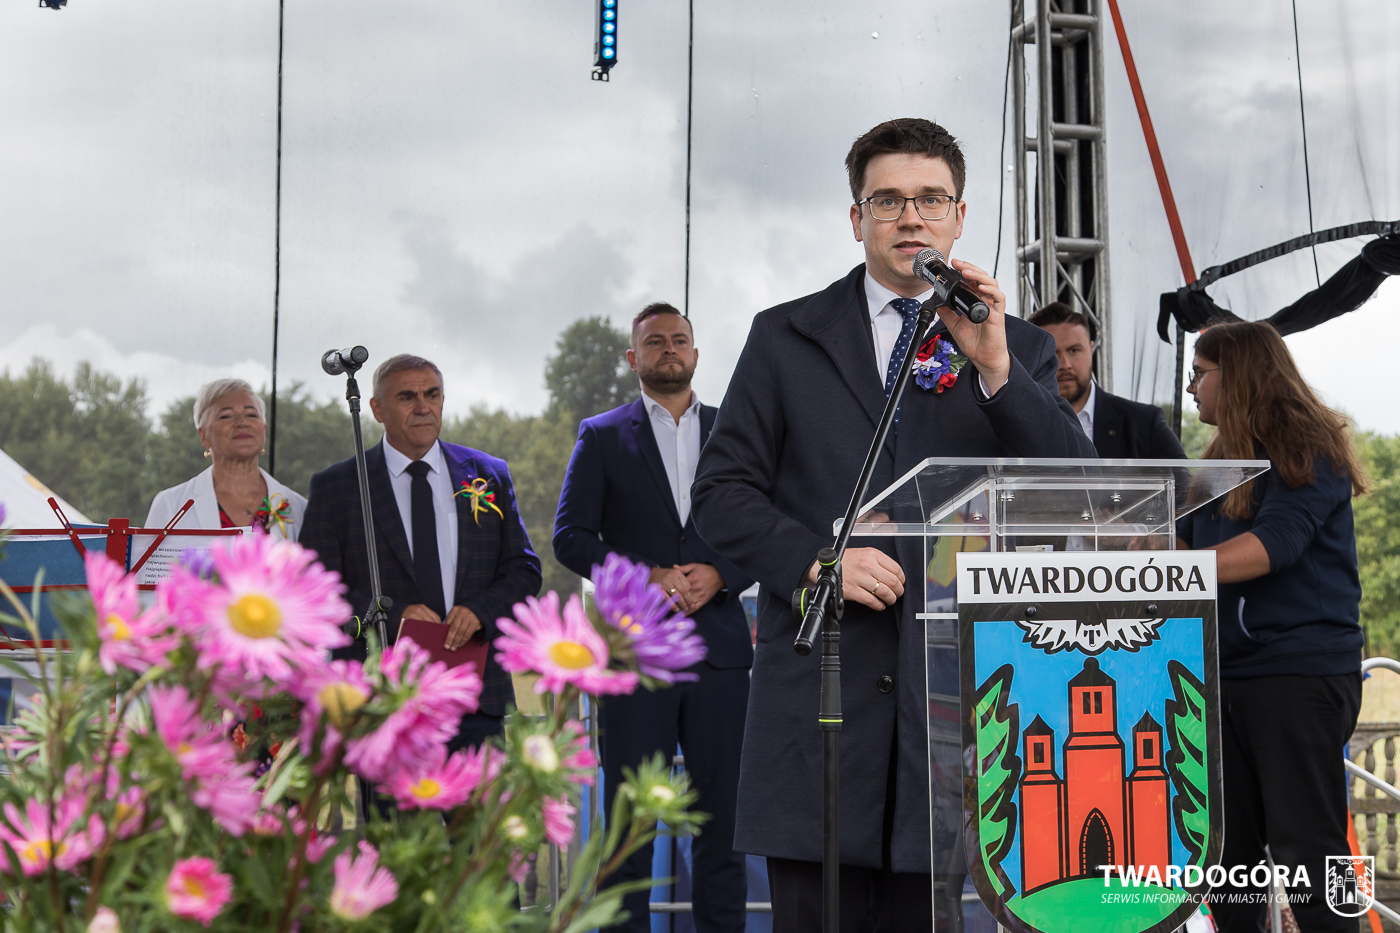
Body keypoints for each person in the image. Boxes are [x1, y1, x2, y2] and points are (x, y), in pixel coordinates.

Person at [690, 118, 1095, 932]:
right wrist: (815, 561)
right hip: (820, 698)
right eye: (888, 200)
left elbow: (1070, 489)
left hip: (949, 709)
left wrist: (994, 367)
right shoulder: (785, 336)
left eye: (930, 199)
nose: (911, 217)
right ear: (857, 218)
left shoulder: (1015, 347)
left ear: (959, 217)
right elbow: (720, 492)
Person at [553, 303, 754, 933]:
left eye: (679, 340)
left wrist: (722, 573)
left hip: (721, 656)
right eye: (655, 341)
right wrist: (647, 576)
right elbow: (569, 538)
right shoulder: (601, 435)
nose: (669, 349)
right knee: (628, 830)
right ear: (632, 357)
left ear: (695, 353)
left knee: (723, 828)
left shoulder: (734, 430)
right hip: (635, 657)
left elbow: (766, 527)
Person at [1177, 321, 1366, 933]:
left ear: (1238, 375)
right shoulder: (1216, 464)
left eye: (1199, 373)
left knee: (1312, 852)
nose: (1190, 387)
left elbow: (1272, 547)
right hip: (1222, 679)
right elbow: (1182, 548)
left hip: (1297, 675)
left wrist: (1168, 568)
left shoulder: (1307, 448)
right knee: (1227, 861)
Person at [299, 354, 541, 749]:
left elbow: (523, 569)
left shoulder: (487, 474)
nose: (423, 407)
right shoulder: (338, 486)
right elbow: (314, 588)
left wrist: (480, 611)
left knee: (479, 794)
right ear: (377, 409)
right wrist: (391, 614)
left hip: (475, 695)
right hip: (381, 698)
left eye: (432, 394)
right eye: (407, 397)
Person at [145, 379, 306, 540]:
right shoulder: (170, 505)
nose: (242, 423)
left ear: (264, 429)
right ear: (203, 435)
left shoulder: (298, 507)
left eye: (251, 414)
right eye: (226, 416)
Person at [1027, 301, 1186, 458]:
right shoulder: (1018, 426)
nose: (1065, 364)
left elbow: (1182, 476)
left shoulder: (1144, 423)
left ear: (1091, 349)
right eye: (1052, 354)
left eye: (1074, 350)